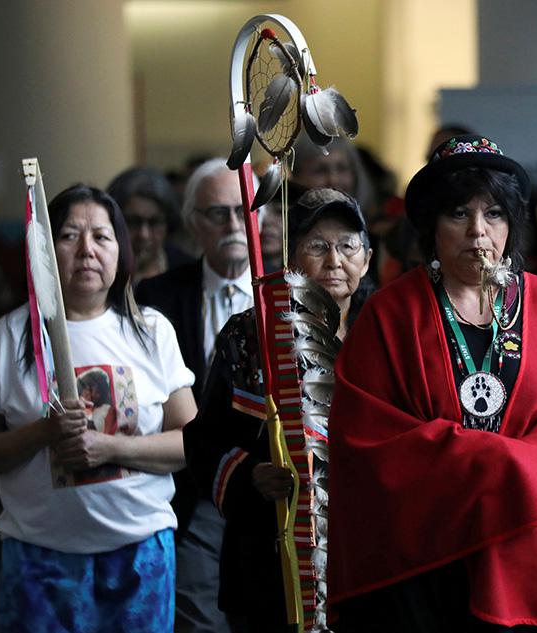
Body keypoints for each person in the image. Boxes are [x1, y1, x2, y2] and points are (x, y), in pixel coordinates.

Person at [327, 135, 537, 632]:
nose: (478, 231)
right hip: (430, 566)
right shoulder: (390, 315)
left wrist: (522, 465)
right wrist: (495, 462)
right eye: (458, 214)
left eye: (494, 214)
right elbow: (365, 441)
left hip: (536, 554)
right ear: (431, 226)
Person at [0, 184, 196, 632]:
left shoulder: (152, 332)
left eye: (101, 237)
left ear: (120, 251)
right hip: (39, 562)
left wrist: (109, 448)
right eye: (69, 236)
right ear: (45, 250)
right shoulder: (10, 339)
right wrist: (41, 433)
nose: (87, 250)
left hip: (139, 557)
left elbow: (192, 442)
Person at [183, 188, 373, 632]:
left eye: (347, 246)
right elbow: (203, 439)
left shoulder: (384, 330)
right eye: (316, 246)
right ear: (288, 259)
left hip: (362, 548)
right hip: (271, 552)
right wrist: (250, 473)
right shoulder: (249, 334)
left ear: (366, 258)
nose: (333, 260)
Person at [136, 158, 254, 633]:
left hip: (273, 484)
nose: (232, 224)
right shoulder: (156, 297)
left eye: (241, 210)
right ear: (191, 225)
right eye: (216, 213)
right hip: (191, 492)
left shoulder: (287, 292)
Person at [107, 166, 192, 284]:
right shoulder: (99, 267)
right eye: (133, 222)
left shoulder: (187, 273)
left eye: (154, 222)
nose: (144, 235)